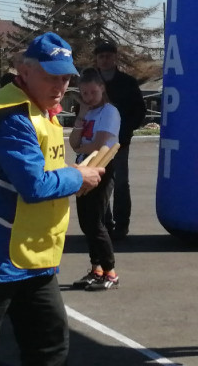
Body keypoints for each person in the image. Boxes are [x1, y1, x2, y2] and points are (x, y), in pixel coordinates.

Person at [0, 32, 105, 365]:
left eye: (65, 78)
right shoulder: (12, 116)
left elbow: (42, 173)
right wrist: (78, 177)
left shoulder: (42, 111)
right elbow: (34, 185)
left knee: (50, 346)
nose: (59, 86)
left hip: (33, 255)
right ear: (25, 72)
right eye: (50, 76)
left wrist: (72, 177)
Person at [69, 68, 121, 290]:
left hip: (101, 167)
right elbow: (73, 142)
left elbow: (100, 144)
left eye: (93, 92)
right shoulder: (88, 113)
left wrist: (81, 147)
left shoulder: (109, 111)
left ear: (102, 88)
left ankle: (110, 272)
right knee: (85, 222)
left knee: (95, 221)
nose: (89, 97)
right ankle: (96, 268)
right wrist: (81, 114)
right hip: (84, 167)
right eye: (84, 93)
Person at [94, 39, 146, 239]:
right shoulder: (91, 81)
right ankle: (104, 224)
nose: (105, 60)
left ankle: (122, 225)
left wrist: (127, 130)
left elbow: (139, 110)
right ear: (96, 59)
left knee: (121, 183)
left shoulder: (127, 82)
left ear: (115, 58)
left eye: (108, 56)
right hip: (96, 143)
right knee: (99, 183)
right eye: (101, 56)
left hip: (120, 142)